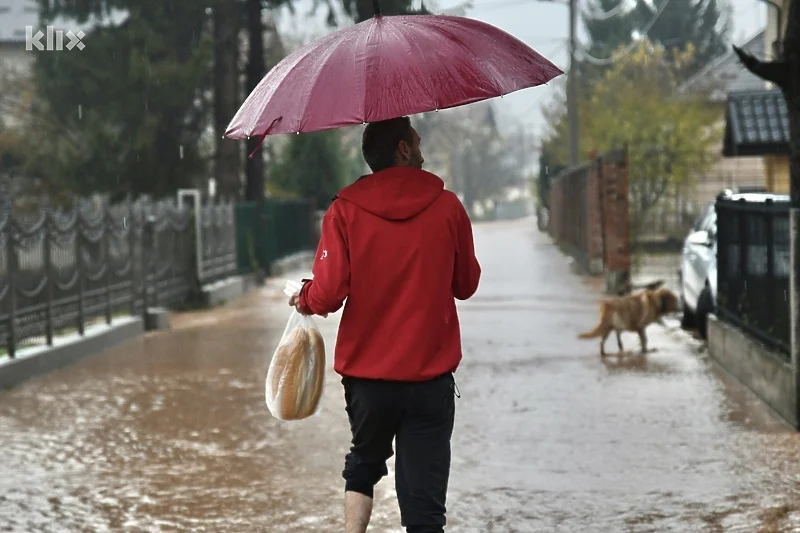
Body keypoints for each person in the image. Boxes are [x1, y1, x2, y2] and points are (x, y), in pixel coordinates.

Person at [289, 116, 481, 533]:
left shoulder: (343, 211)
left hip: (368, 380)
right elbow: (466, 285)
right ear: (403, 149)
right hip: (429, 380)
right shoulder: (448, 207)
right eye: (415, 136)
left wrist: (303, 295)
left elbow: (327, 294)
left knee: (363, 464)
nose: (421, 141)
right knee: (425, 508)